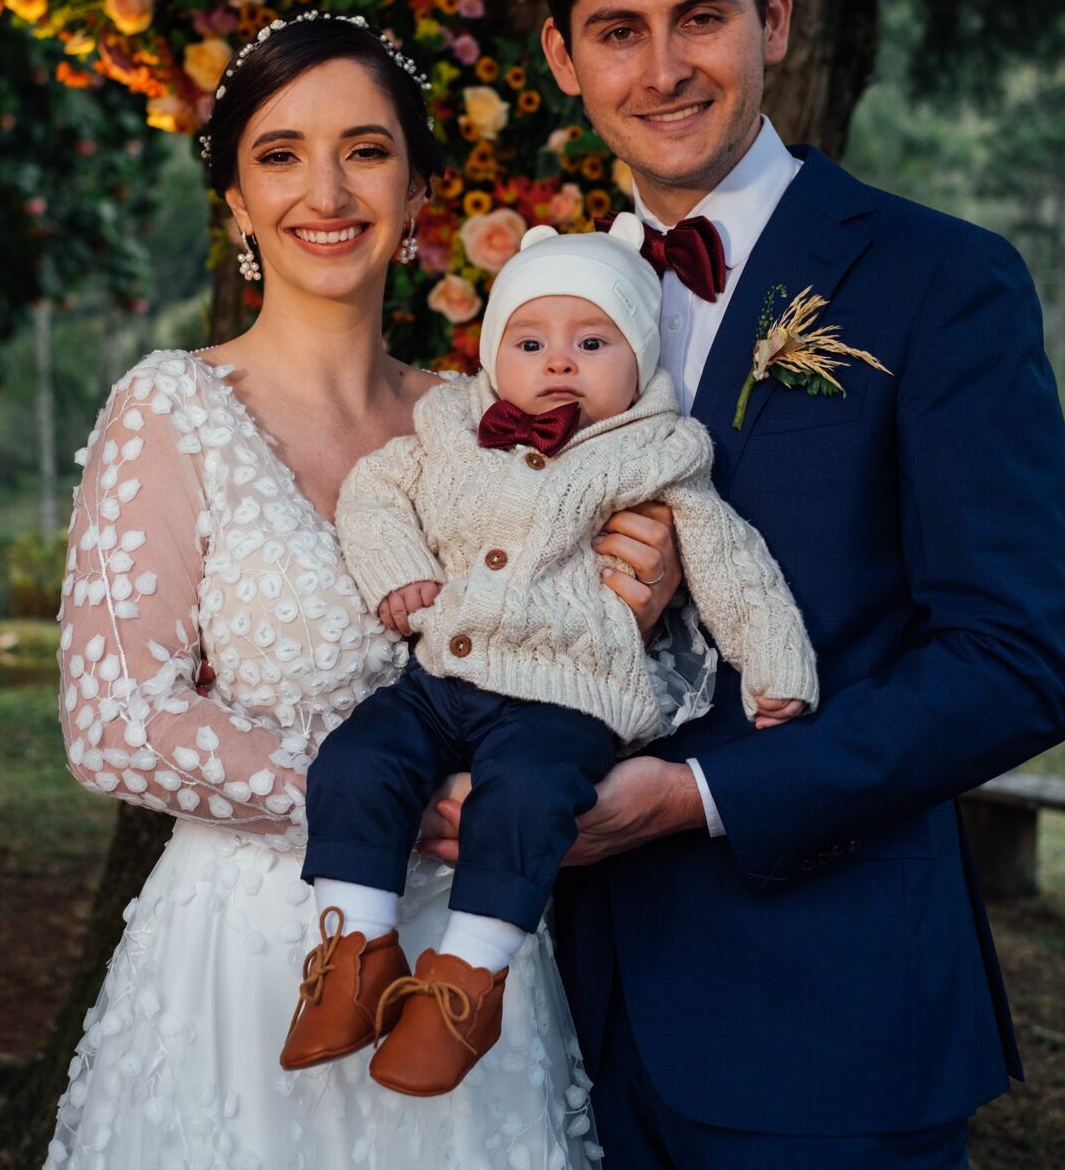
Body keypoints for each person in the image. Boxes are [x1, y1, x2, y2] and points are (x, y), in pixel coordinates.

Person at [422, 0, 1065, 1170]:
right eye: (617, 31)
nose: (661, 71)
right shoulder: (539, 306)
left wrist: (698, 793)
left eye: (697, 17)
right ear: (560, 56)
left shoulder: (937, 280)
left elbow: (1014, 657)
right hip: (553, 1019)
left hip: (823, 1020)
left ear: (770, 19)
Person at [44, 12, 675, 1170]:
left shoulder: (487, 426)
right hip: (244, 961)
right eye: (278, 154)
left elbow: (636, 670)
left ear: (419, 187)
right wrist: (391, 797)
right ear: (234, 201)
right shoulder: (172, 407)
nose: (323, 189)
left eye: (366, 149)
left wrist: (640, 600)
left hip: (473, 960)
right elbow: (113, 725)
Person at [281, 216, 817, 1096]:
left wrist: (776, 667)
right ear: (495, 356)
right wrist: (401, 571)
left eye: (591, 341)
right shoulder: (451, 429)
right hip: (441, 675)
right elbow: (375, 492)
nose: (558, 361)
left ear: (641, 360)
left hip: (565, 697)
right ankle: (353, 948)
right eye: (530, 341)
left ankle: (466, 983)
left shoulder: (656, 456)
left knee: (524, 801)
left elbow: (730, 564)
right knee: (355, 760)